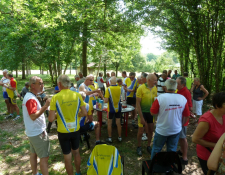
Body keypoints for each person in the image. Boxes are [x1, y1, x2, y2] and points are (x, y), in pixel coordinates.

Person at [49, 75, 87, 175]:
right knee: (76, 152)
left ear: (59, 84)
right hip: (75, 129)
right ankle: (78, 172)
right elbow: (84, 113)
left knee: (67, 156)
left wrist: (58, 115)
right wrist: (76, 115)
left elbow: (51, 118)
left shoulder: (55, 97)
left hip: (63, 131)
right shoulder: (77, 95)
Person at [150, 79, 190, 159]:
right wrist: (181, 125)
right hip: (176, 129)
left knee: (157, 149)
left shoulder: (160, 98)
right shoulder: (182, 98)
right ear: (176, 88)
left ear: (165, 87)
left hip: (162, 129)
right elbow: (187, 115)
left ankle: (153, 166)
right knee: (172, 150)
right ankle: (169, 167)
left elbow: (152, 113)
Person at [22, 76, 50, 175]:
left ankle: (35, 173)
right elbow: (33, 116)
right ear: (32, 85)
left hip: (32, 131)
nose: (43, 85)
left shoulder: (31, 96)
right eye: (40, 83)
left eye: (42, 83)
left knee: (33, 154)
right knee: (44, 157)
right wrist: (46, 106)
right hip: (37, 132)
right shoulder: (30, 98)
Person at [192, 92, 225, 175]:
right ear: (217, 106)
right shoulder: (206, 120)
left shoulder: (223, 114)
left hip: (220, 153)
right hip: (207, 155)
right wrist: (218, 146)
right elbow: (195, 139)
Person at [136, 74, 157, 156]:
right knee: (141, 131)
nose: (156, 82)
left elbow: (155, 101)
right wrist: (141, 117)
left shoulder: (155, 88)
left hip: (151, 113)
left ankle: (148, 145)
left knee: (151, 130)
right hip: (142, 112)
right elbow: (137, 104)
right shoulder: (141, 88)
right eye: (154, 80)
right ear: (149, 80)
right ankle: (139, 146)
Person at [176, 76, 192, 165]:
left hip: (183, 118)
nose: (176, 85)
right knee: (180, 136)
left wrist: (188, 114)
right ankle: (182, 150)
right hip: (178, 117)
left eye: (177, 83)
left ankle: (185, 157)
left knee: (183, 137)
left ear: (183, 84)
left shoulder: (186, 92)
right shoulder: (178, 91)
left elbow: (190, 105)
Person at [104, 76, 122, 142]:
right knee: (118, 123)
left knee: (109, 123)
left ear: (110, 82)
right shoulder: (120, 88)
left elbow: (105, 101)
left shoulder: (108, 89)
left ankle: (110, 137)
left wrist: (101, 95)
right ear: (116, 82)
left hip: (111, 108)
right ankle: (120, 137)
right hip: (118, 108)